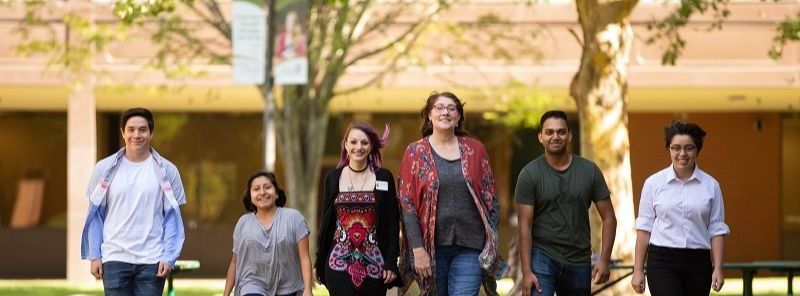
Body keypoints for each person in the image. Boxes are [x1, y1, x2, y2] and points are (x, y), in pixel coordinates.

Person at [397, 91, 504, 296]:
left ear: (458, 117)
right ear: (429, 115)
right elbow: (406, 204)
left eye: (451, 108)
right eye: (439, 107)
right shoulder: (415, 153)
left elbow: (491, 198)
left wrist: (490, 241)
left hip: (471, 247)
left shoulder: (475, 149)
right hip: (431, 249)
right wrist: (417, 249)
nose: (445, 112)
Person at [80, 107, 187, 295]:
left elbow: (172, 219)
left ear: (151, 132)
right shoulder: (104, 169)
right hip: (114, 257)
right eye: (131, 129)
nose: (136, 135)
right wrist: (95, 255)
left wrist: (169, 257)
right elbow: (95, 216)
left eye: (142, 129)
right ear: (123, 132)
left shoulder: (168, 171)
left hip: (152, 260)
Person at [515, 110, 617, 296]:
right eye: (549, 132)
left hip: (578, 258)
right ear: (540, 137)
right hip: (542, 256)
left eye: (561, 132)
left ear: (569, 136)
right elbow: (524, 226)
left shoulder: (589, 171)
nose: (556, 136)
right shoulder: (529, 175)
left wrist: (604, 260)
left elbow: (609, 217)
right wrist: (527, 272)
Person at [631, 120, 730, 295]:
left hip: (698, 261)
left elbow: (716, 229)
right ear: (669, 149)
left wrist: (718, 268)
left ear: (697, 149)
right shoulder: (653, 183)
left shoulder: (711, 185)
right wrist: (638, 269)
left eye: (688, 148)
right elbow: (644, 228)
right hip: (662, 261)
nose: (682, 153)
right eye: (676, 148)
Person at [315, 122, 402, 295]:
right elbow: (326, 223)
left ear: (371, 147)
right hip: (337, 262)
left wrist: (391, 262)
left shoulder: (384, 177)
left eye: (364, 142)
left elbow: (393, 223)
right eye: (353, 142)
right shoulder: (333, 177)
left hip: (375, 264)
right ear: (345, 145)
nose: (358, 147)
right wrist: (319, 262)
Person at [223, 171, 313, 296]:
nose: (262, 192)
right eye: (256, 189)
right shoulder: (243, 223)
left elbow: (304, 257)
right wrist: (226, 294)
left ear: (276, 193)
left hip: (288, 286)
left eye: (267, 187)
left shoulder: (294, 218)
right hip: (251, 284)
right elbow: (234, 262)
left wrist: (308, 289)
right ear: (250, 197)